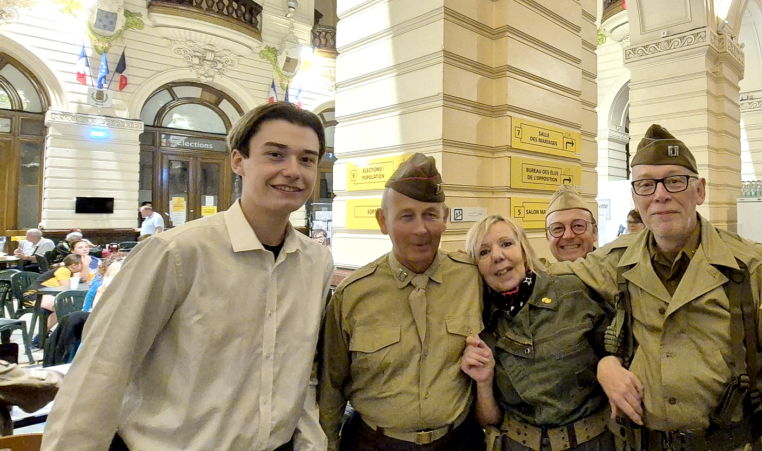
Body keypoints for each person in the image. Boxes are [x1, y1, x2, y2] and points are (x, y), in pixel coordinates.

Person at [42, 102, 335, 451]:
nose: (293, 171)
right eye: (275, 155)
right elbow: (101, 370)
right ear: (238, 161)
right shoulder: (176, 252)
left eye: (307, 159)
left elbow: (299, 372)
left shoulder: (316, 262)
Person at [549, 124, 762, 449]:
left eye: (674, 181)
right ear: (635, 197)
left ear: (700, 191)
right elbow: (545, 280)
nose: (660, 195)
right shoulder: (616, 262)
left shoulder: (750, 268)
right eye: (646, 184)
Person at [320, 153, 485, 451]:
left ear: (445, 218)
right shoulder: (352, 295)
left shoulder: (472, 279)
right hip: (374, 444)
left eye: (430, 215)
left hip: (459, 442)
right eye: (406, 216)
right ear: (383, 221)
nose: (420, 229)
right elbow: (331, 386)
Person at [461, 214, 615, 451]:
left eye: (506, 244)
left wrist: (611, 362)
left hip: (592, 443)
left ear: (523, 250)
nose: (497, 256)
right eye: (484, 252)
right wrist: (484, 382)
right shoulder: (480, 324)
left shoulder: (573, 293)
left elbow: (620, 352)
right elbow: (489, 420)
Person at [545, 186, 597, 262]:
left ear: (594, 232)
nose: (568, 235)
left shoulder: (612, 268)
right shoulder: (541, 270)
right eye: (558, 228)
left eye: (578, 226)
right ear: (547, 237)